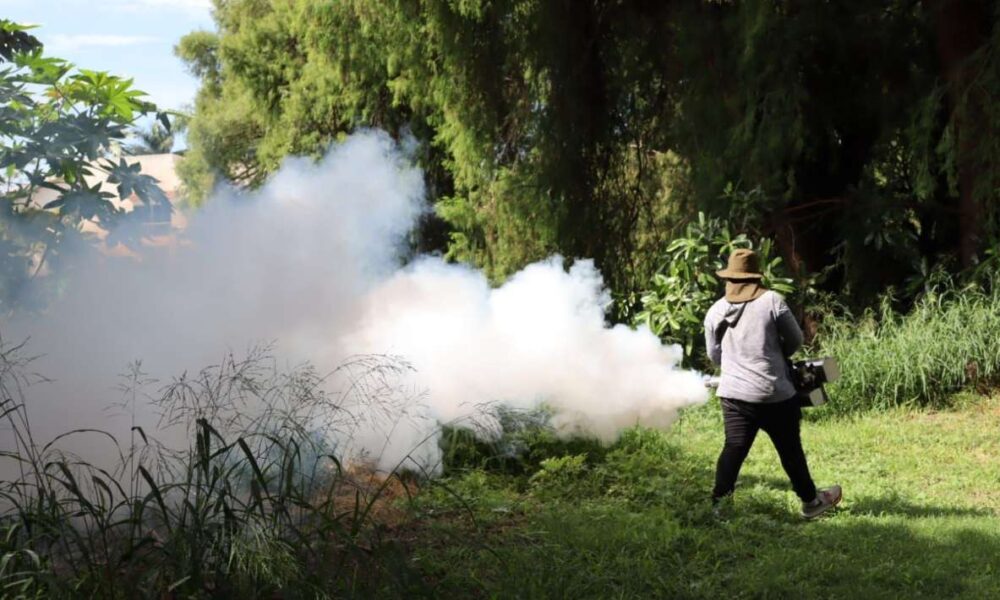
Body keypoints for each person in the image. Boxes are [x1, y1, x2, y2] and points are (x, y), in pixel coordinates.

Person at [703, 248, 841, 519]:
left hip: (734, 396)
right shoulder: (772, 301)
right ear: (756, 277)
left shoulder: (715, 311)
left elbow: (715, 356)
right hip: (775, 394)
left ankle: (719, 507)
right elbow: (796, 340)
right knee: (790, 451)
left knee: (733, 449)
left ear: (729, 278)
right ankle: (812, 503)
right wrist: (776, 355)